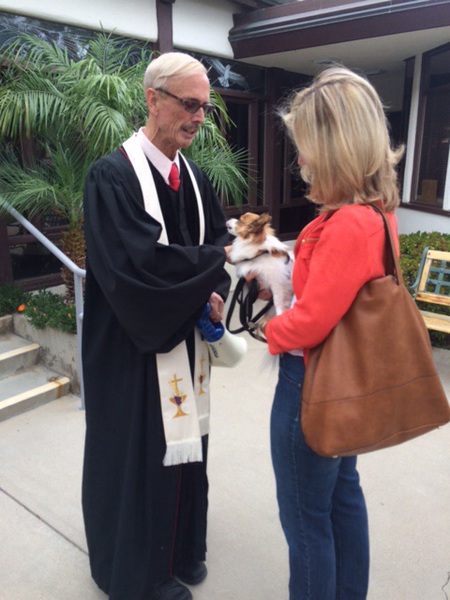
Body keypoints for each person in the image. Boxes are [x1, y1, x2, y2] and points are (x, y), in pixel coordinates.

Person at [81, 52, 231, 600]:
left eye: (204, 108)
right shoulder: (112, 177)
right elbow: (134, 272)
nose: (198, 118)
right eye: (189, 105)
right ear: (153, 99)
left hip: (183, 343)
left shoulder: (190, 176)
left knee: (189, 448)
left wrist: (217, 284)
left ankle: (183, 550)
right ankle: (138, 575)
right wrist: (214, 267)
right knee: (139, 458)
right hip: (131, 350)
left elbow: (216, 242)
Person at [261, 67, 404, 599]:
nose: (300, 159)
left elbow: (313, 320)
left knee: (305, 523)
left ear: (334, 146)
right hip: (344, 382)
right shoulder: (376, 213)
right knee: (343, 498)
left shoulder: (347, 222)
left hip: (311, 385)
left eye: (305, 146)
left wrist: (271, 330)